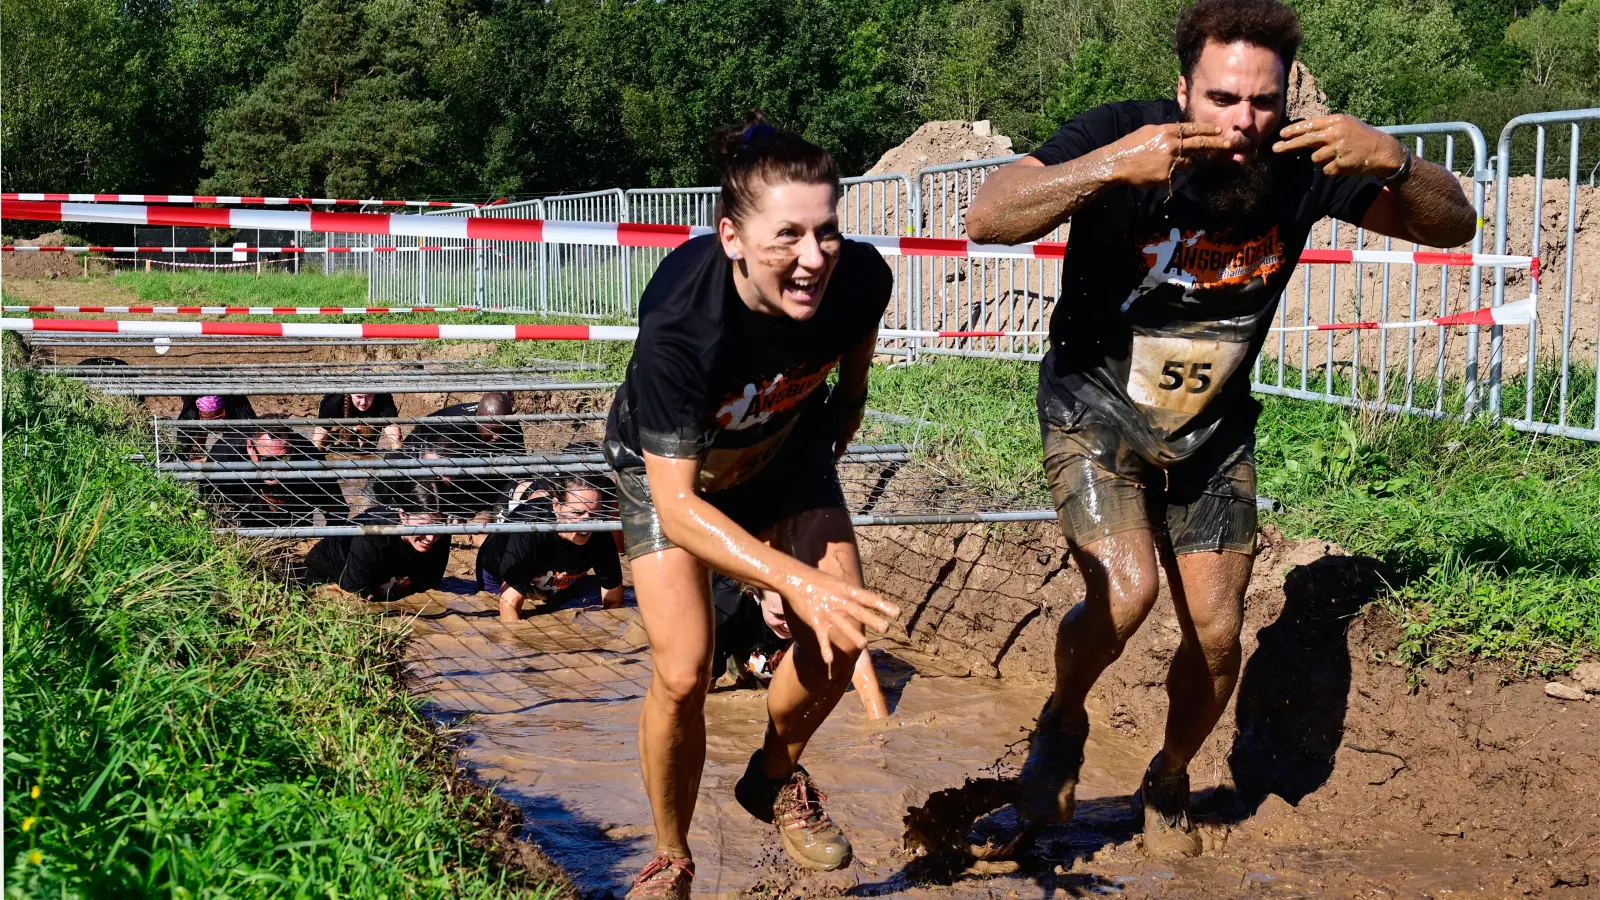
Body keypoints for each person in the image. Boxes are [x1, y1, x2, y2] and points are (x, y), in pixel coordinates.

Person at [963, 0, 1476, 859]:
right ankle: (1063, 716)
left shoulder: (1304, 162)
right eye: (1221, 98)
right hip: (1095, 410)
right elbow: (990, 216)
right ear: (1182, 91)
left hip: (1212, 432)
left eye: (1262, 102)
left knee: (1220, 633)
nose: (1242, 121)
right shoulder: (1122, 132)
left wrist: (1395, 163)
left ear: (1286, 99)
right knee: (1125, 595)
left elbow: (1453, 225)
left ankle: (1166, 776)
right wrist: (1108, 167)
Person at [603, 112, 900, 899]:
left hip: (784, 448)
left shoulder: (862, 278)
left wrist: (846, 417)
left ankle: (772, 776)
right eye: (787, 238)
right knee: (685, 671)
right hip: (671, 474)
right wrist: (787, 577)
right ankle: (672, 855)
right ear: (732, 237)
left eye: (827, 232)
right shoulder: (681, 323)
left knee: (839, 635)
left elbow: (851, 370)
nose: (813, 260)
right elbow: (675, 505)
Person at [475, 473, 626, 623]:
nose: (586, 523)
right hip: (498, 575)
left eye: (594, 514)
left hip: (555, 577)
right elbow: (509, 604)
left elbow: (614, 601)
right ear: (556, 506)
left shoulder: (600, 531)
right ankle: (478, 524)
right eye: (577, 513)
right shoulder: (530, 526)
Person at [303, 478, 451, 601]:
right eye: (423, 527)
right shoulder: (373, 535)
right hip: (327, 574)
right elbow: (352, 598)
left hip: (383, 574)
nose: (431, 537)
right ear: (403, 516)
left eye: (438, 526)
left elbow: (430, 589)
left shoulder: (442, 534)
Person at [204, 424, 345, 528]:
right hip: (243, 511)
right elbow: (206, 505)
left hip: (292, 518)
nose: (275, 470)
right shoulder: (225, 454)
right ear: (250, 447)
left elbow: (337, 509)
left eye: (283, 459)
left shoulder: (307, 454)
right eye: (268, 460)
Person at [176, 394, 257, 460]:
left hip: (229, 407)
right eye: (208, 420)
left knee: (235, 440)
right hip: (198, 394)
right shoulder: (190, 412)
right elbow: (181, 444)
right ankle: (199, 450)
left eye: (216, 418)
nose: (213, 425)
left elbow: (251, 431)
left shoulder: (237, 404)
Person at [311, 392, 401, 451]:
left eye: (369, 396)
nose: (363, 402)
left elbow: (396, 438)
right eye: (359, 396)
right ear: (350, 393)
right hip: (339, 417)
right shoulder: (333, 401)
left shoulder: (383, 399)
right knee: (338, 447)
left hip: (369, 419)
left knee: (368, 452)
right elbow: (319, 439)